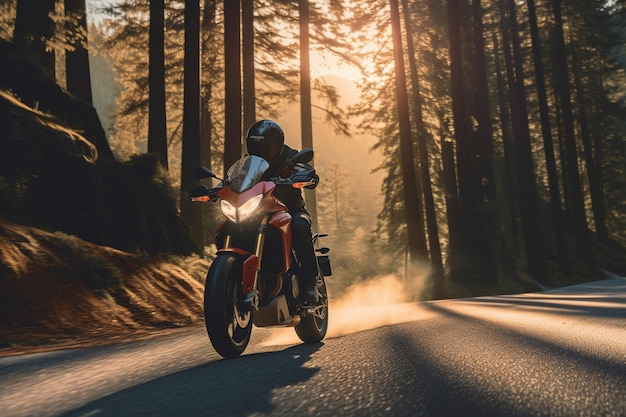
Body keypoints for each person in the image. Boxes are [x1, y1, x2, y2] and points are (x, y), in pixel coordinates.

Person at [245, 119, 320, 304]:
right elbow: (237, 179)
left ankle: (309, 282)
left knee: (300, 226)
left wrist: (306, 177)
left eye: (265, 146)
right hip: (258, 212)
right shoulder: (249, 163)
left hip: (291, 209)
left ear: (276, 143)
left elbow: (309, 172)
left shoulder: (290, 157)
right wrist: (218, 189)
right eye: (256, 145)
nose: (261, 150)